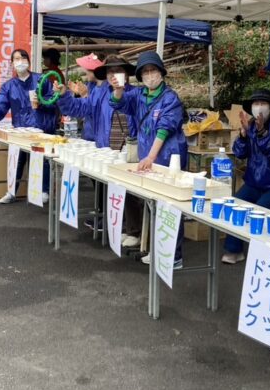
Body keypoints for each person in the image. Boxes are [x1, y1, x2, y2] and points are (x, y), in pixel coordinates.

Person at [110, 50, 188, 268]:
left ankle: (173, 256)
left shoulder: (170, 98)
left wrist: (151, 156)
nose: (150, 75)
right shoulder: (138, 95)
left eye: (153, 70)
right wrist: (118, 90)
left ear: (161, 72)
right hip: (149, 157)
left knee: (170, 206)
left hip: (168, 157)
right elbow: (118, 104)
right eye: (145, 72)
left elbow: (165, 129)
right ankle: (159, 250)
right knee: (154, 205)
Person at [55, 54, 141, 235]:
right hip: (107, 152)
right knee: (112, 190)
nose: (114, 75)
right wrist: (64, 95)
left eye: (118, 71)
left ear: (126, 74)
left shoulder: (137, 93)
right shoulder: (99, 93)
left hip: (131, 152)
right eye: (110, 72)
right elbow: (79, 108)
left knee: (132, 193)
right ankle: (117, 226)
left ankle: (133, 230)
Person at [221, 89, 270, 264]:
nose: (259, 107)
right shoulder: (251, 126)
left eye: (263, 103)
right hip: (254, 183)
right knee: (235, 205)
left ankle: (264, 256)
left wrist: (262, 133)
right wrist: (243, 136)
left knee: (260, 211)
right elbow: (240, 153)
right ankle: (234, 250)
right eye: (256, 104)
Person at [0, 48, 57, 204]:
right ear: (12, 63)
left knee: (42, 160)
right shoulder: (9, 86)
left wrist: (41, 102)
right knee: (17, 160)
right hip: (20, 130)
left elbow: (53, 100)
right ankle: (12, 191)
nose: (20, 62)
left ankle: (44, 190)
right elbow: (0, 104)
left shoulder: (41, 80)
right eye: (16, 59)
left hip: (41, 128)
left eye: (23, 58)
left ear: (28, 61)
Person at [67, 53, 104, 142]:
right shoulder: (90, 84)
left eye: (88, 69)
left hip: (97, 138)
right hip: (87, 135)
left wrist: (85, 96)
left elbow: (93, 110)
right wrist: (78, 93)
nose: (85, 71)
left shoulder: (104, 89)